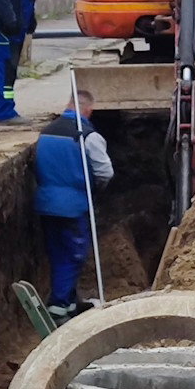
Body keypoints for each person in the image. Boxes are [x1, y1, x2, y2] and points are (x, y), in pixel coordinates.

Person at [34, 86, 113, 315]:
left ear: (68, 105)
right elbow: (104, 172)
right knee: (74, 254)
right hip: (73, 206)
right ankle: (58, 305)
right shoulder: (88, 135)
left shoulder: (46, 132)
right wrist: (95, 190)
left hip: (46, 203)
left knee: (57, 252)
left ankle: (69, 301)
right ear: (88, 110)